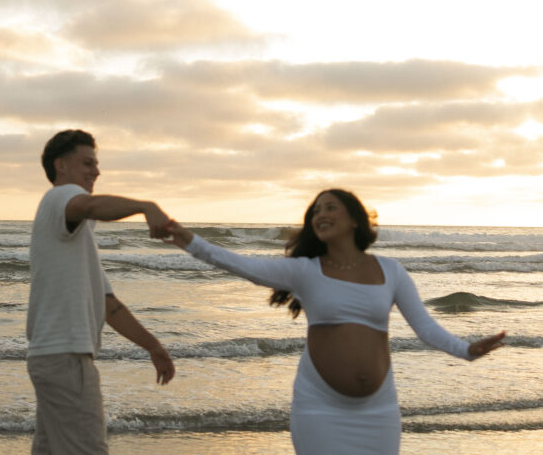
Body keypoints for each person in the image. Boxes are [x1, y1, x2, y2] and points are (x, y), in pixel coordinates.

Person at [164, 189, 505, 455]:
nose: (320, 215)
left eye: (330, 208)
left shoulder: (391, 270)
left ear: (355, 219)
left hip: (379, 409)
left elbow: (425, 327)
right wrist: (184, 238)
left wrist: (466, 350)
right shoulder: (304, 271)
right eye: (315, 211)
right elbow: (240, 264)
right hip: (319, 407)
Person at [27, 129, 175, 455]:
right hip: (65, 358)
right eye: (87, 163)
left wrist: (153, 346)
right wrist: (144, 206)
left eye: (96, 164)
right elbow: (91, 205)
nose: (97, 171)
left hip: (54, 358)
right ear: (60, 166)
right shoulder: (60, 197)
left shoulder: (78, 235)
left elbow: (109, 306)